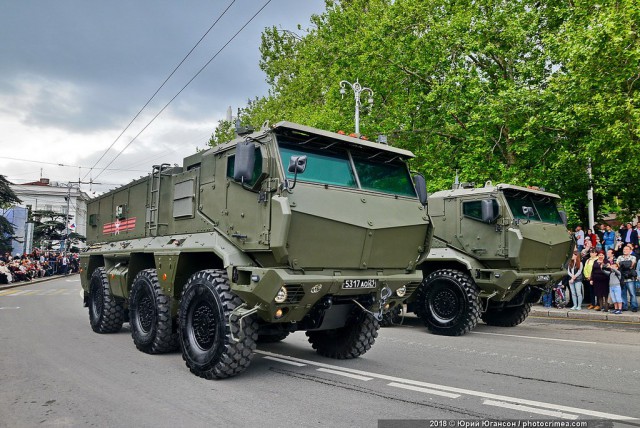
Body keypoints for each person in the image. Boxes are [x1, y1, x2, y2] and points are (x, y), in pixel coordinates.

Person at [616, 245, 638, 312]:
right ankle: (624, 306)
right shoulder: (619, 257)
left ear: (630, 250)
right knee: (623, 293)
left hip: (630, 278)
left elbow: (631, 265)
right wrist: (626, 264)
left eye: (626, 249)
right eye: (624, 249)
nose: (625, 250)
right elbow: (618, 265)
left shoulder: (633, 257)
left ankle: (634, 307)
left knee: (632, 293)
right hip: (622, 278)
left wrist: (623, 264)